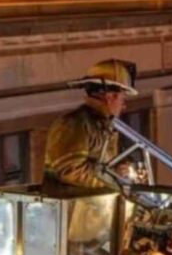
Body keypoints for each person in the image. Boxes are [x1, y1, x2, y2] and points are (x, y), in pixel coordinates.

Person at [44, 59, 138, 188]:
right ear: (110, 97)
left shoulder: (104, 126)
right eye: (122, 99)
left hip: (99, 205)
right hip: (77, 206)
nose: (124, 106)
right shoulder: (73, 124)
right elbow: (70, 170)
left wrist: (124, 167)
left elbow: (106, 162)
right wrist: (113, 176)